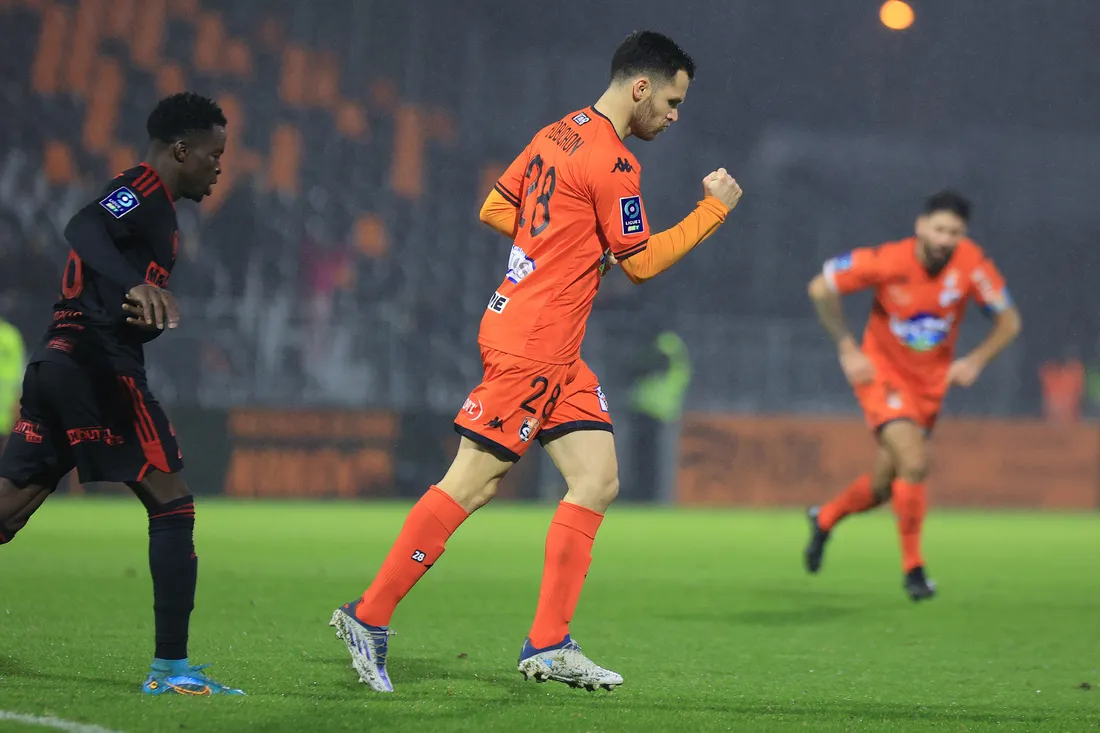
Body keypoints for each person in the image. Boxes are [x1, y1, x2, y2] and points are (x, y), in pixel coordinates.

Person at [331, 30, 742, 693]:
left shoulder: (558, 133)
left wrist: (570, 245)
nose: (672, 116)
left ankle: (549, 643)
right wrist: (712, 211)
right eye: (671, 101)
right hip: (535, 344)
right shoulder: (613, 163)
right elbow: (642, 263)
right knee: (470, 482)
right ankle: (368, 615)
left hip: (547, 342)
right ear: (641, 86)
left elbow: (498, 208)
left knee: (597, 477)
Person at [0, 92, 242, 695]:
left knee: (8, 509)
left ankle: (173, 668)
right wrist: (136, 285)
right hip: (95, 364)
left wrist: (139, 307)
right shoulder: (139, 189)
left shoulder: (161, 210)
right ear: (181, 150)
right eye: (214, 155)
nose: (219, 167)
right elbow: (81, 225)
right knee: (173, 503)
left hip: (60, 360)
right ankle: (171, 670)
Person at [803, 190, 1021, 600]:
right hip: (881, 376)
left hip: (928, 389)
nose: (945, 239)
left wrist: (976, 361)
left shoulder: (971, 264)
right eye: (939, 229)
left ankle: (825, 518)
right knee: (916, 462)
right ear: (921, 226)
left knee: (886, 485)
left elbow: (1009, 321)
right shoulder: (888, 260)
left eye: (954, 232)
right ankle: (914, 570)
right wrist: (848, 348)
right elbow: (820, 288)